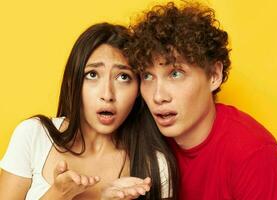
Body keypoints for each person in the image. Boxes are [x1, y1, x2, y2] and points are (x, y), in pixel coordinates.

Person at [127, 2, 277, 199]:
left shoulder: (253, 152)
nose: (158, 96)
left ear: (214, 75)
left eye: (176, 73)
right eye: (147, 76)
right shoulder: (143, 138)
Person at [0, 22, 178, 200]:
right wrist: (57, 195)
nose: (107, 94)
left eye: (123, 77)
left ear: (138, 90)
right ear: (73, 81)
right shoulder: (34, 135)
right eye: (92, 75)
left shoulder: (156, 165)